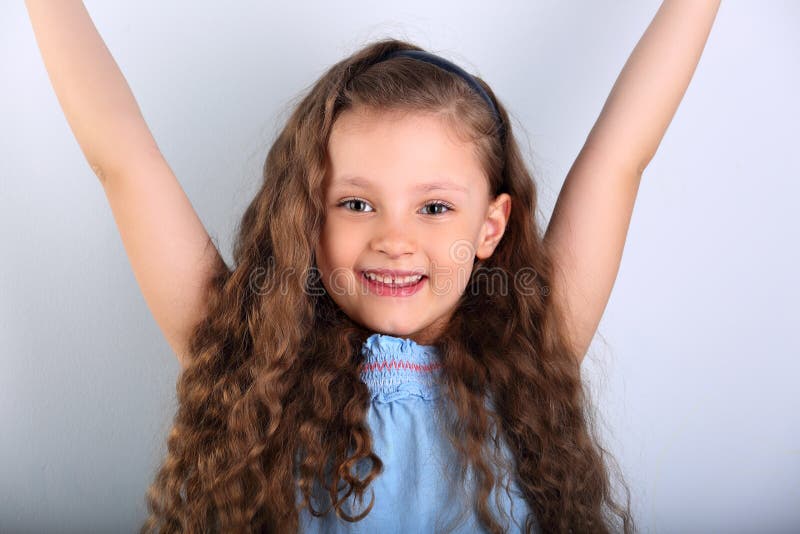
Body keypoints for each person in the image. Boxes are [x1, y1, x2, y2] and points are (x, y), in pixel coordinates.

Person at [25, 1, 721, 532]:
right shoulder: (254, 357)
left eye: (435, 208)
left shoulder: (533, 353)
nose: (395, 239)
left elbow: (620, 158)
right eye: (356, 203)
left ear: (491, 227)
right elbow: (123, 160)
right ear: (307, 217)